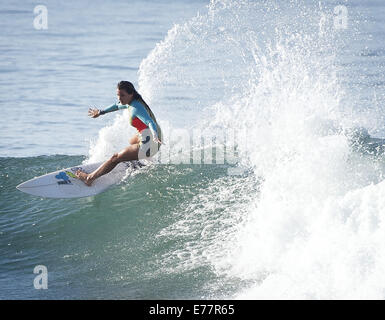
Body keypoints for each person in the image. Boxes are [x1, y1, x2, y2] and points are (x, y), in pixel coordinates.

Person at [75, 81, 162, 186]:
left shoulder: (136, 108)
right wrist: (101, 112)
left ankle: (89, 178)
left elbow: (150, 122)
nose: (119, 98)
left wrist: (155, 135)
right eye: (118, 95)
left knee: (115, 158)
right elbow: (117, 106)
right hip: (153, 138)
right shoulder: (133, 102)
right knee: (132, 141)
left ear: (131, 94)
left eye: (122, 95)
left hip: (151, 142)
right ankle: (141, 162)